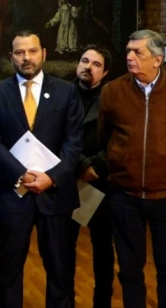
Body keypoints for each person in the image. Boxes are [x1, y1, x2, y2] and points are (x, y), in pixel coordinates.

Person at [0, 30, 83, 308]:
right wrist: (19, 174)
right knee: (9, 270)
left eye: (32, 51)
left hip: (55, 194)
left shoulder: (66, 92)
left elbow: (74, 142)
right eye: (20, 52)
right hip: (13, 193)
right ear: (11, 57)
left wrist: (52, 177)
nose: (26, 57)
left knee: (60, 270)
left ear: (44, 54)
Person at [99, 29, 166, 308]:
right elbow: (102, 139)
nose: (129, 57)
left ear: (158, 59)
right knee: (129, 270)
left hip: (165, 196)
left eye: (138, 52)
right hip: (125, 196)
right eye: (128, 50)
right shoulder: (113, 91)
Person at [68, 45, 114, 308]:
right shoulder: (61, 94)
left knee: (103, 249)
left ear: (104, 73)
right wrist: (81, 164)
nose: (88, 66)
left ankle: (102, 302)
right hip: (67, 179)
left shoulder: (112, 98)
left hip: (100, 183)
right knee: (64, 248)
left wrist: (94, 166)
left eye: (96, 64)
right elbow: (53, 135)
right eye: (85, 60)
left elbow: (117, 140)